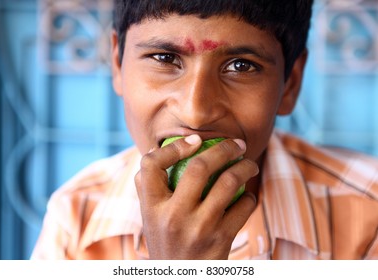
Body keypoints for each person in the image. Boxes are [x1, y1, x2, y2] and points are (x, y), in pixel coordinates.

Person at [31, 0, 378, 260]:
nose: (195, 112)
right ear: (119, 63)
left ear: (290, 85)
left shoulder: (369, 214)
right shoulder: (76, 218)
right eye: (165, 59)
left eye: (241, 66)